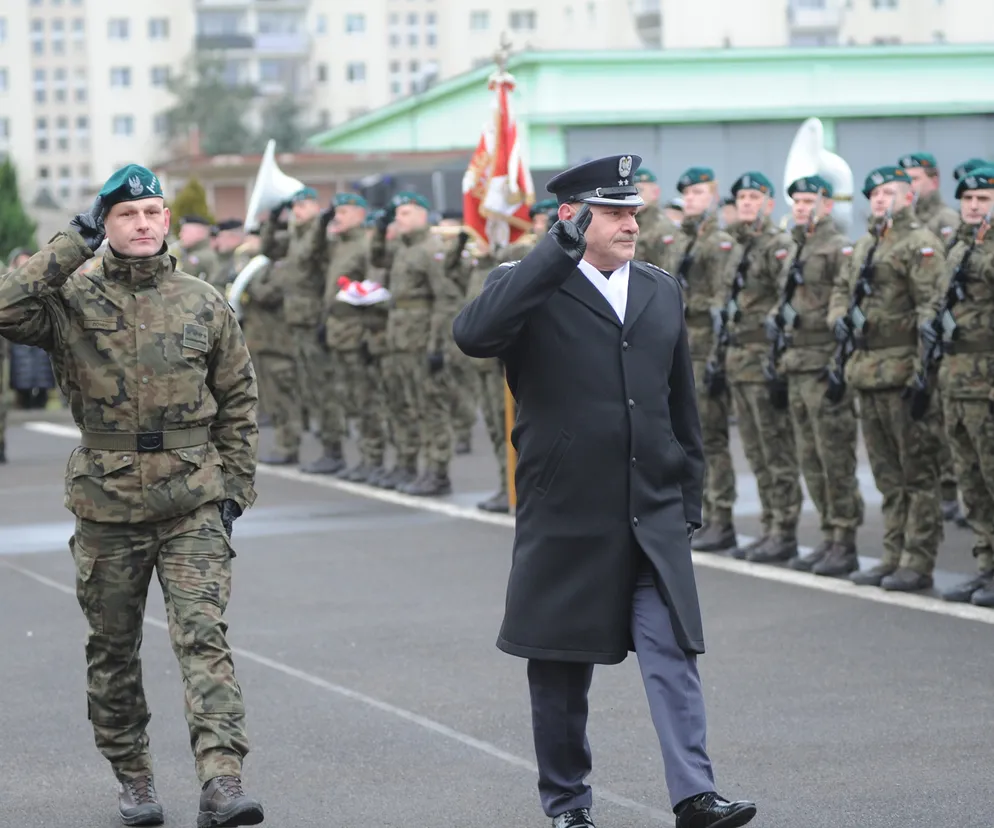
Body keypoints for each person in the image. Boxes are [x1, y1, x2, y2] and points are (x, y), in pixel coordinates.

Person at [453, 154, 756, 828]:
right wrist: (553, 252)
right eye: (615, 210)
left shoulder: (658, 287)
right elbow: (473, 334)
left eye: (634, 211)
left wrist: (689, 497)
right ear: (573, 215)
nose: (631, 222)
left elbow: (680, 405)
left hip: (651, 507)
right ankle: (568, 806)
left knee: (672, 650)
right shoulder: (527, 285)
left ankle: (695, 795)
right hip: (567, 512)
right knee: (560, 669)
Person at [0, 164, 264, 828]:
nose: (142, 225)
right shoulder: (72, 301)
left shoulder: (203, 298)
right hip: (106, 506)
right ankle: (135, 779)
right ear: (105, 225)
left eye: (151, 213)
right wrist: (71, 240)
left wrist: (233, 491)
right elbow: (5, 305)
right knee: (113, 649)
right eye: (125, 215)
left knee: (203, 638)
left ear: (166, 220)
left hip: (192, 502)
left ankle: (222, 780)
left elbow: (238, 400)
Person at [828, 164, 945, 592]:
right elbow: (842, 290)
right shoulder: (865, 245)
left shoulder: (920, 245)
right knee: (887, 476)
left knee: (917, 473)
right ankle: (893, 554)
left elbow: (930, 310)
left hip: (902, 374)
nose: (880, 199)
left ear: (908, 196)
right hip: (867, 371)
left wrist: (922, 376)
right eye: (874, 194)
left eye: (888, 192)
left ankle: (919, 558)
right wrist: (838, 316)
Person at [774, 175, 864, 576]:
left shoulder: (837, 247)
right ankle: (829, 536)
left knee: (834, 458)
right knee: (809, 457)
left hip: (824, 362)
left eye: (809, 200)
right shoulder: (794, 245)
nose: (802, 206)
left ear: (826, 205)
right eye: (797, 200)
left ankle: (845, 541)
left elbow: (845, 301)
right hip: (796, 362)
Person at [717, 171, 802, 562]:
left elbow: (785, 302)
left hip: (764, 361)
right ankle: (770, 525)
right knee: (755, 452)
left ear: (769, 204)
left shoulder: (778, 244)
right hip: (738, 362)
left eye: (754, 197)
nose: (747, 203)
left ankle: (784, 531)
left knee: (776, 451)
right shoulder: (737, 245)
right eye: (742, 198)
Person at [934, 167, 994, 607]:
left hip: (985, 381)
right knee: (972, 483)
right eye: (968, 199)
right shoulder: (959, 244)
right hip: (957, 379)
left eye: (983, 198)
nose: (974, 205)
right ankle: (986, 566)